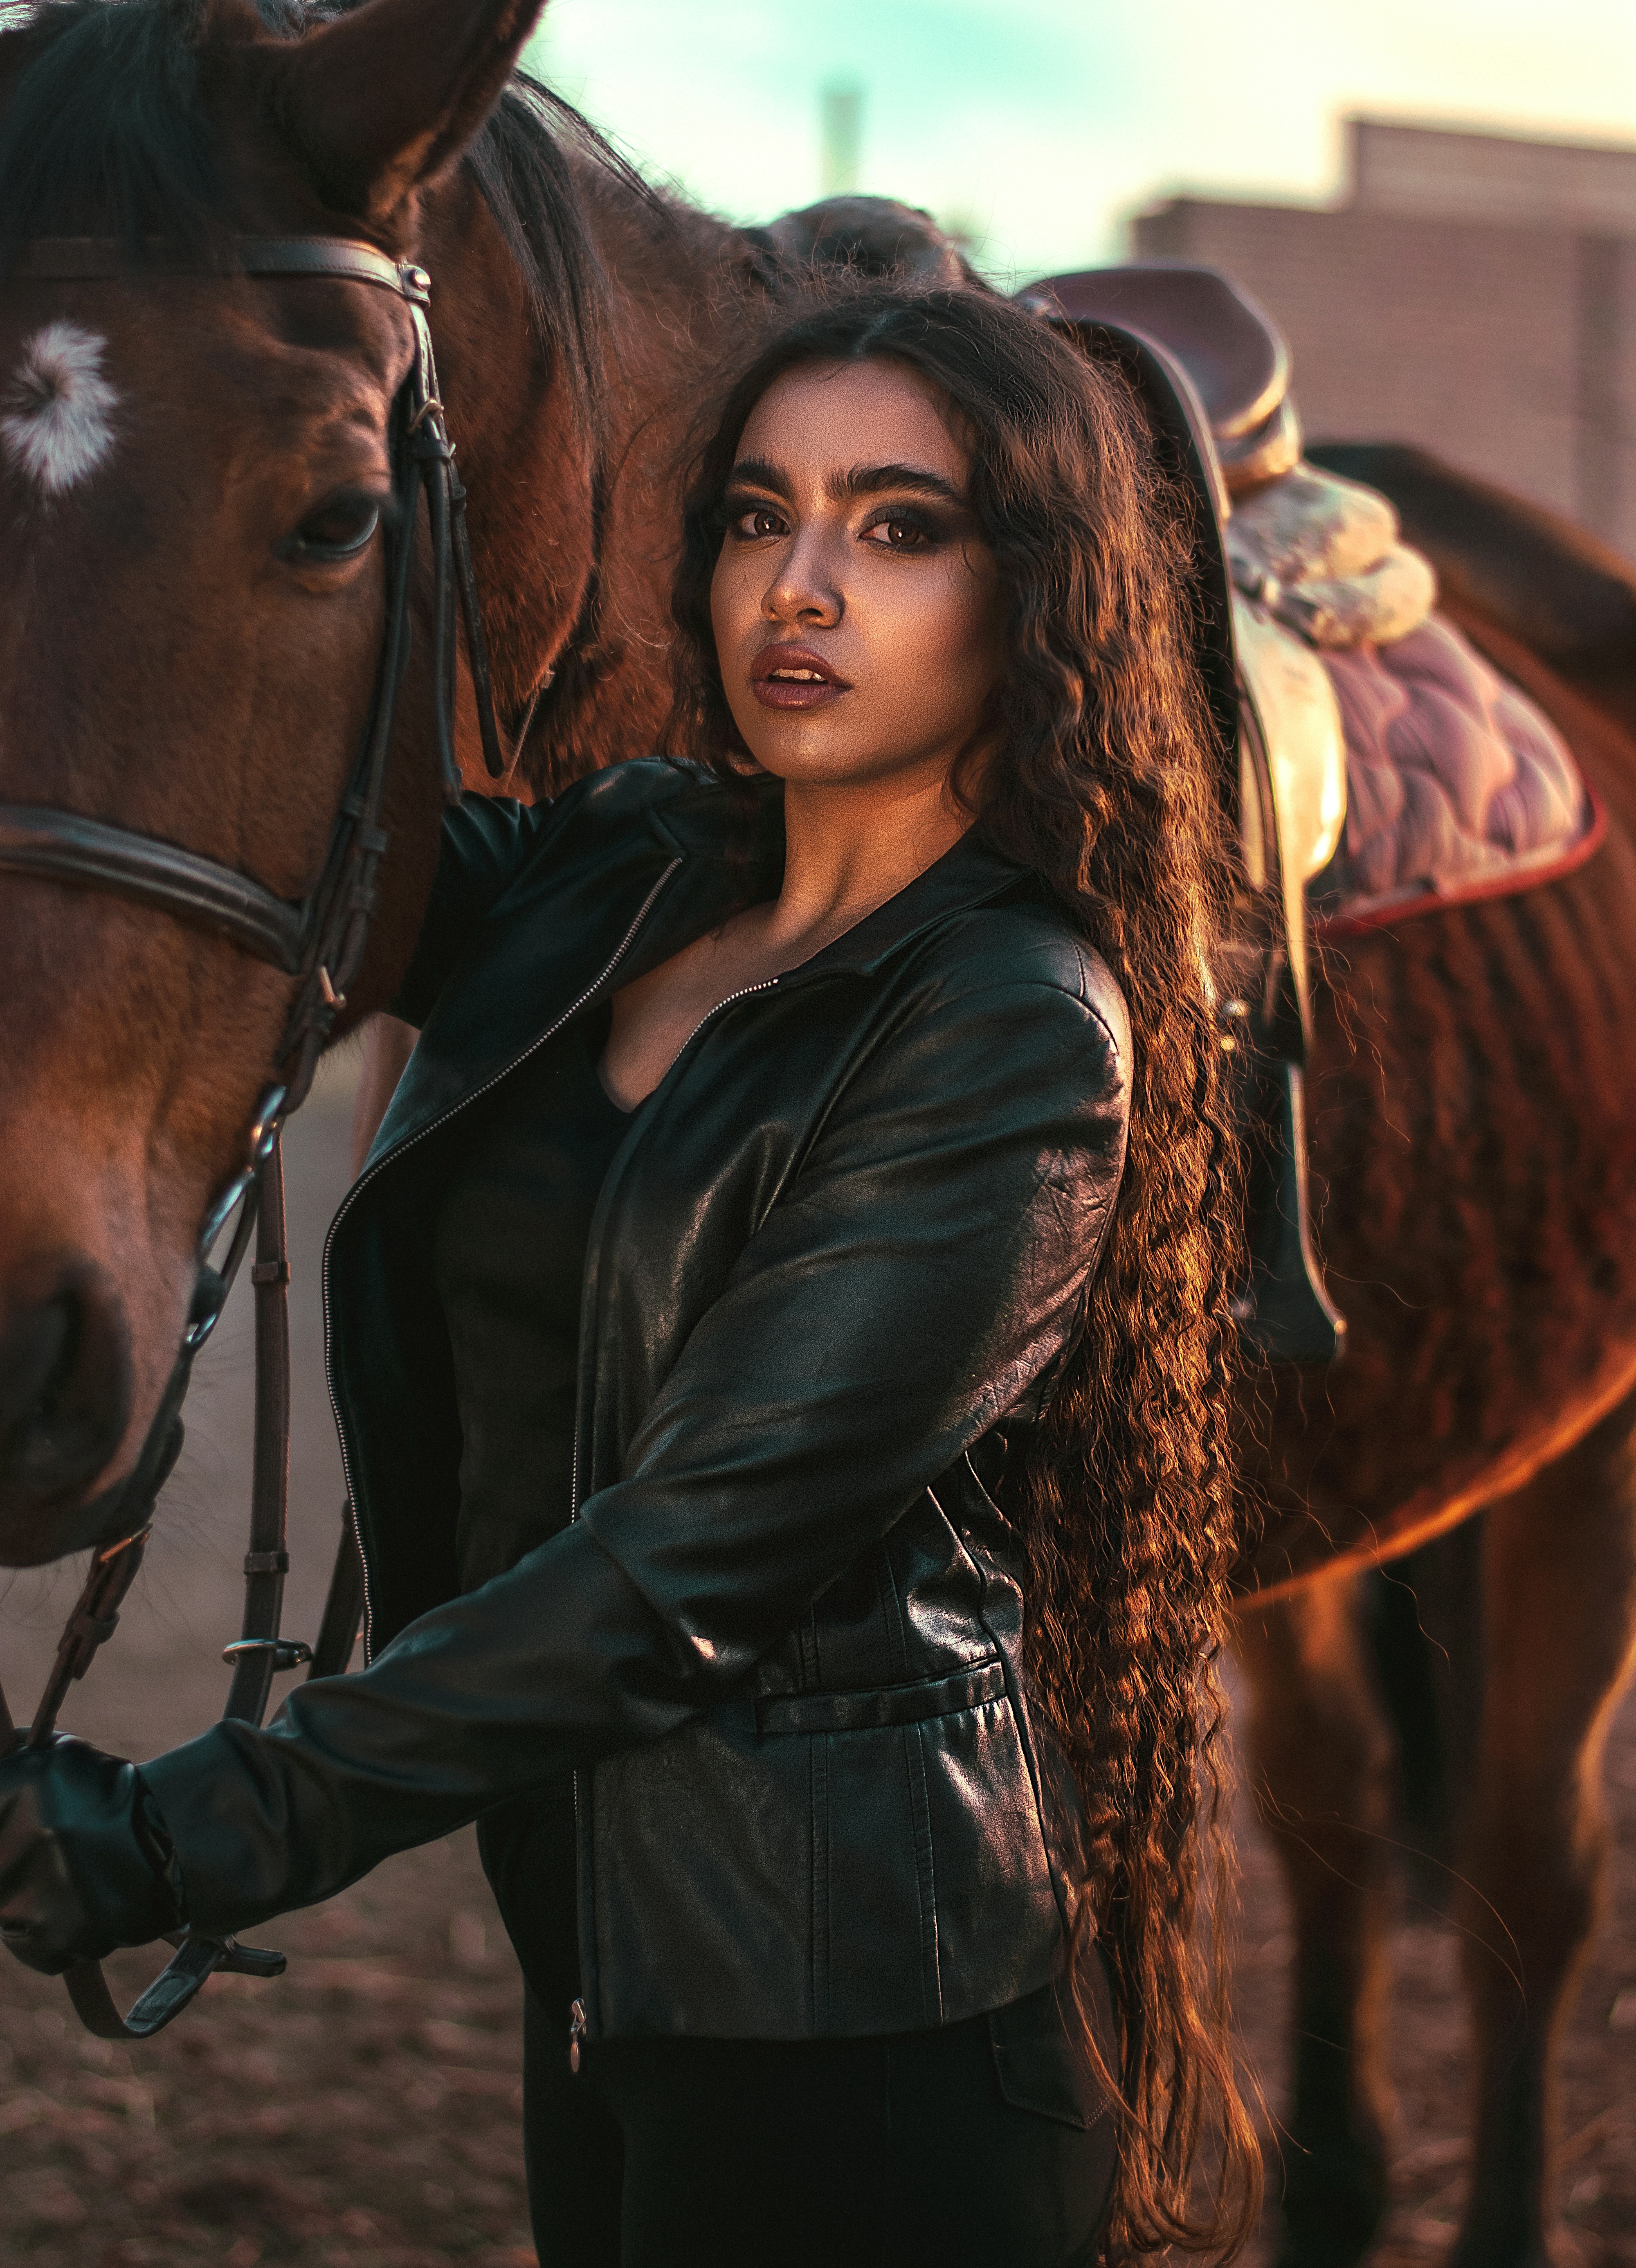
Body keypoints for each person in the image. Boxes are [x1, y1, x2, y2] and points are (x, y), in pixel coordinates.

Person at [0, 287, 1259, 2266]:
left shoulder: (1015, 1029)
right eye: (760, 517)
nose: (803, 587)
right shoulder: (617, 874)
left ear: (1036, 591)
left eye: (897, 526)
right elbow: (272, 791)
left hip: (864, 2029)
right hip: (607, 1965)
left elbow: (675, 1569)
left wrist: (175, 1834)